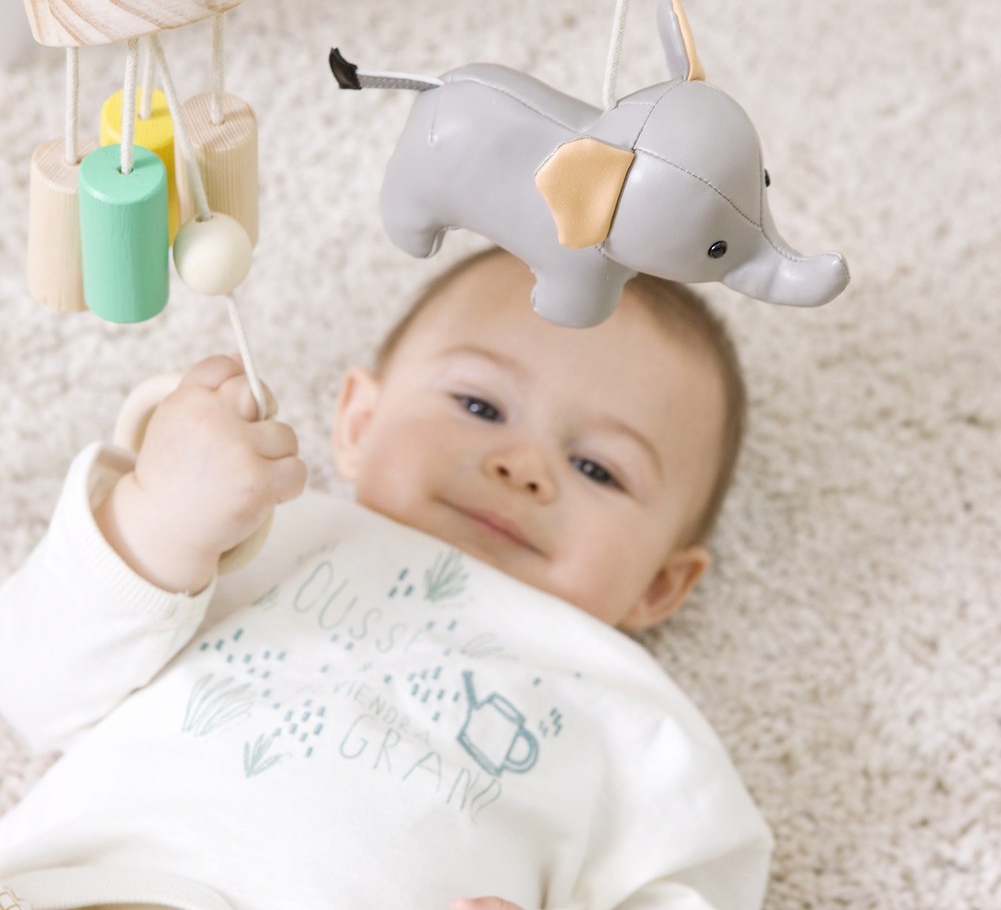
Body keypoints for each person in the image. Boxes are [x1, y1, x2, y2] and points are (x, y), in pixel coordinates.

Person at [0, 247, 772, 910]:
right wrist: (158, 518)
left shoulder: (643, 723)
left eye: (598, 468)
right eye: (479, 405)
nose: (522, 465)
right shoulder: (256, 535)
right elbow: (34, 685)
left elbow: (698, 886)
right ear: (358, 424)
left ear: (660, 585)